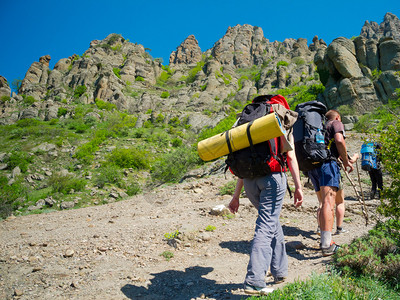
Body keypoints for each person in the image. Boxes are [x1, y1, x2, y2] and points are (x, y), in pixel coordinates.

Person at [228, 135, 303, 295]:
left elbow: (245, 164)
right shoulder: (280, 120)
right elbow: (290, 156)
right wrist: (298, 186)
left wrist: (236, 196)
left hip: (249, 182)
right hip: (272, 178)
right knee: (266, 225)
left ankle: (280, 271)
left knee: (271, 222)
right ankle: (254, 281)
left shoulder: (250, 126)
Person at [308, 109, 353, 256]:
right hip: (327, 165)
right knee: (329, 203)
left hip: (312, 167)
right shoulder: (336, 123)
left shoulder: (318, 128)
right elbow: (339, 140)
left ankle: (323, 236)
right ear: (338, 116)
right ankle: (327, 245)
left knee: (322, 203)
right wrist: (347, 162)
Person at [314, 153, 359, 235]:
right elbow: (349, 160)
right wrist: (356, 156)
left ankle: (320, 228)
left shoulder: (315, 142)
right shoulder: (330, 141)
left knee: (322, 203)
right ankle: (339, 228)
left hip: (313, 170)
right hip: (330, 169)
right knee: (340, 202)